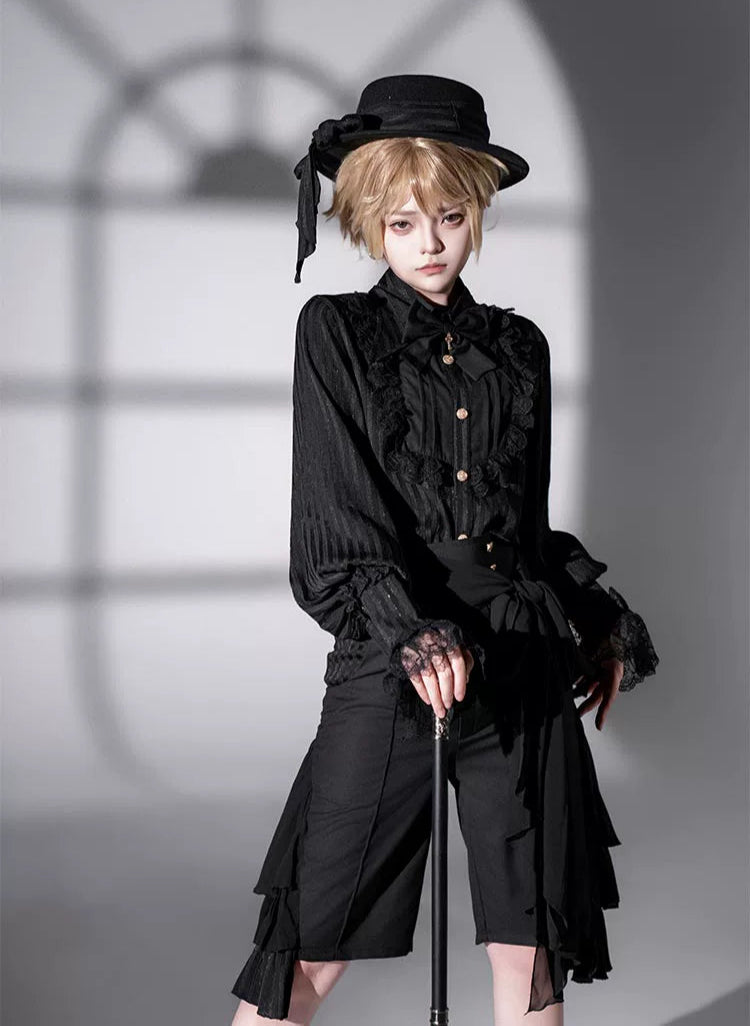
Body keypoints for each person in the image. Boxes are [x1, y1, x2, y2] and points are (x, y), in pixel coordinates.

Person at [228, 74, 659, 1026]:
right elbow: (336, 518)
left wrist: (594, 618)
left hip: (520, 662)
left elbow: (526, 525)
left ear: (478, 213)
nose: (429, 244)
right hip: (393, 662)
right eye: (402, 224)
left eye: (450, 218)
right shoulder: (337, 333)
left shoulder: (519, 347)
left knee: (529, 942)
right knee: (314, 941)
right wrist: (412, 634)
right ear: (369, 225)